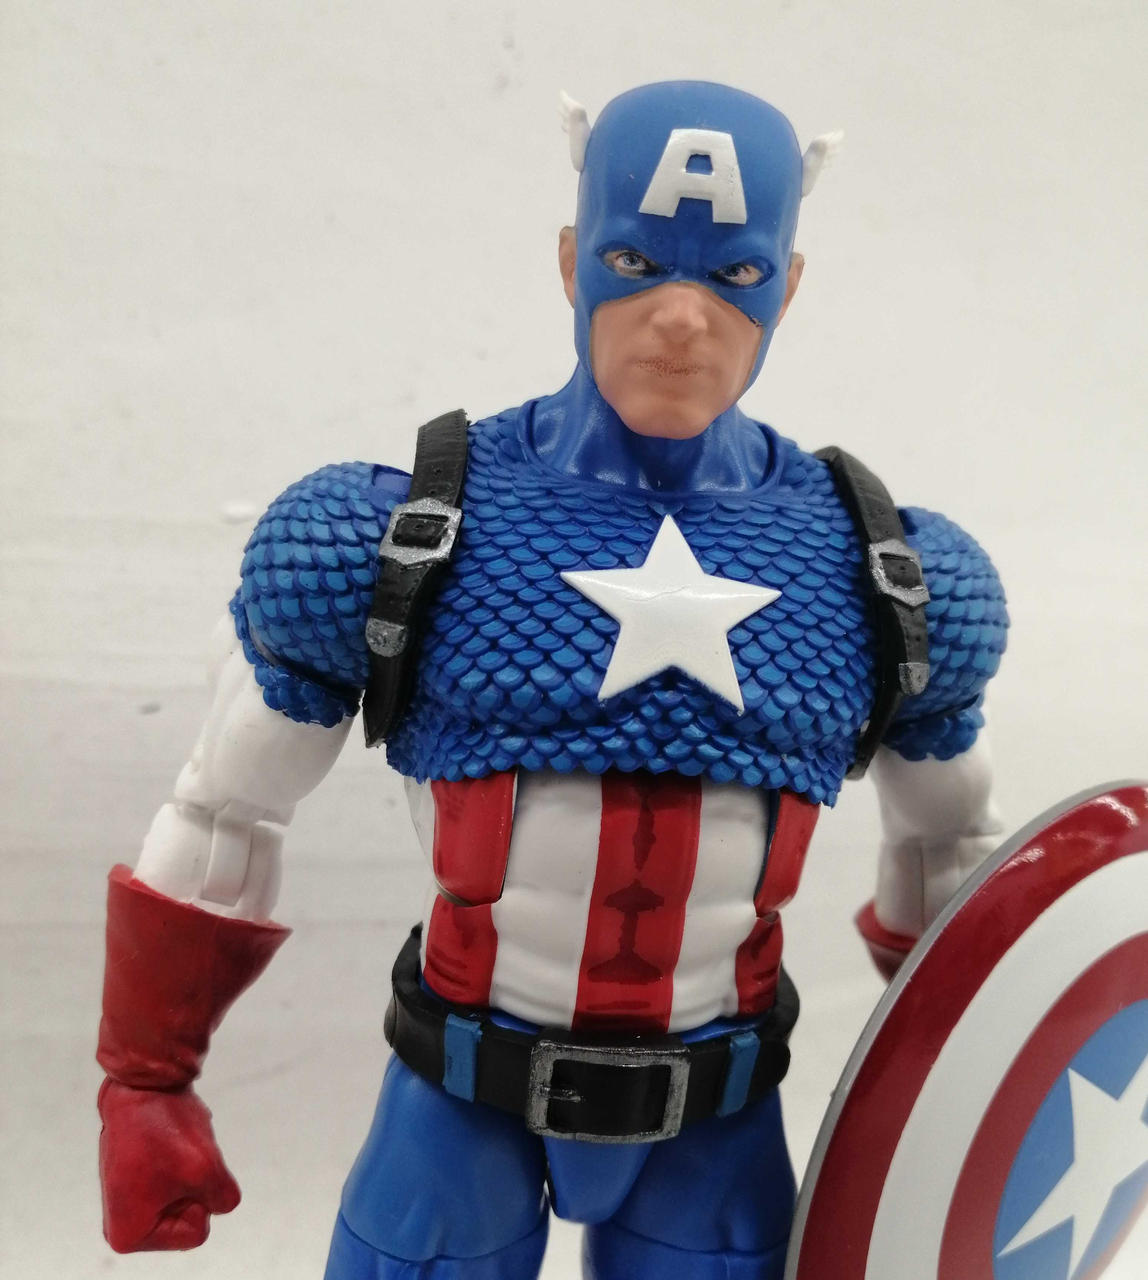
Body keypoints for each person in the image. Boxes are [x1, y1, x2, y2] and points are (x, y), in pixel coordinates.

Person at [96, 81, 1009, 1280]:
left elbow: (953, 862)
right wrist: (145, 1077)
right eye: (635, 261)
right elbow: (228, 806)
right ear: (572, 259)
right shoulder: (398, 532)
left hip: (715, 1118)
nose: (679, 316)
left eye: (732, 275)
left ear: (785, 288)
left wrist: (995, 1101)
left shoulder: (881, 571)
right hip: (458, 1098)